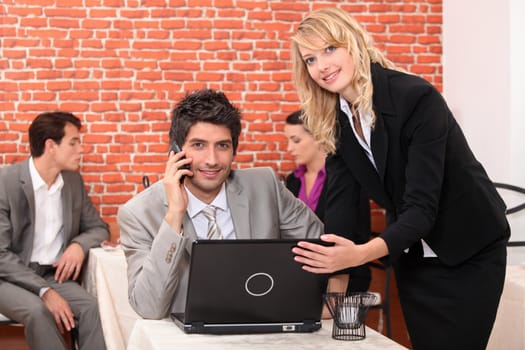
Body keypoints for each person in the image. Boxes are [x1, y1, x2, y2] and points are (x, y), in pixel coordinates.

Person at [289, 7, 509, 350]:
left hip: (471, 251)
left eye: (330, 49)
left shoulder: (416, 98)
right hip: (416, 257)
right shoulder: (337, 122)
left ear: (354, 43)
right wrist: (333, 297)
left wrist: (359, 255)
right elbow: (342, 212)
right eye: (310, 59)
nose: (322, 66)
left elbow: (422, 208)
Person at [118, 89, 324, 320]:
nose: (212, 160)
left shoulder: (265, 185)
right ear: (175, 152)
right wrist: (174, 215)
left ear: (234, 149)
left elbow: (316, 243)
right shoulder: (138, 213)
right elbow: (148, 307)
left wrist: (279, 295)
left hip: (261, 328)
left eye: (222, 146)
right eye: (198, 145)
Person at [0, 111, 108, 350]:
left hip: (51, 274)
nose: (81, 150)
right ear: (51, 145)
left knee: (93, 308)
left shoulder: (72, 182)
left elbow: (99, 228)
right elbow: (1, 256)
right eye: (74, 142)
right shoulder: (5, 182)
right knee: (39, 311)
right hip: (6, 279)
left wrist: (79, 245)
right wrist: (44, 291)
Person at [283, 110, 371, 298]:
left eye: (296, 140)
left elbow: (345, 234)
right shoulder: (293, 180)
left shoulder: (346, 178)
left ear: (318, 137)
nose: (289, 148)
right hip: (303, 270)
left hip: (346, 271)